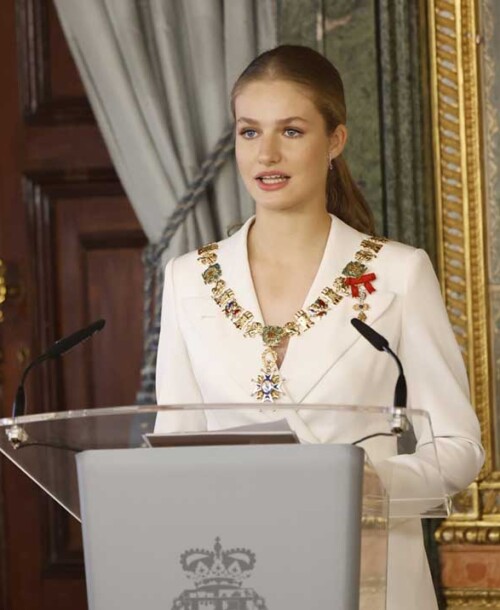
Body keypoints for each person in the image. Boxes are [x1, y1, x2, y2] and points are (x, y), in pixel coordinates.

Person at [155, 45, 483, 609]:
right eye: (250, 132)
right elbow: (175, 450)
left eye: (292, 131)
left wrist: (376, 485)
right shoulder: (188, 279)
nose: (268, 154)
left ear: (334, 141)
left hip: (370, 570)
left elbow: (459, 448)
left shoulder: (396, 273)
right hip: (236, 574)